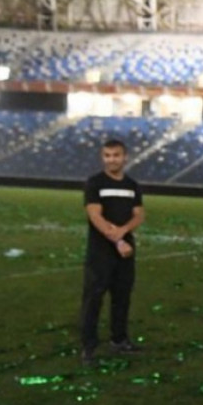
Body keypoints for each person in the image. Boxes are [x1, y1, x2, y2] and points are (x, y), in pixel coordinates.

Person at [80, 138, 145, 366]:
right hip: (100, 252)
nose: (111, 160)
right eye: (107, 155)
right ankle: (89, 346)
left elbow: (139, 215)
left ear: (124, 157)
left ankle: (119, 339)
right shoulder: (95, 183)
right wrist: (117, 240)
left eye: (116, 155)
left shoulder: (132, 185)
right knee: (93, 299)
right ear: (102, 157)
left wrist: (123, 232)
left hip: (125, 252)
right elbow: (95, 215)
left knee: (122, 297)